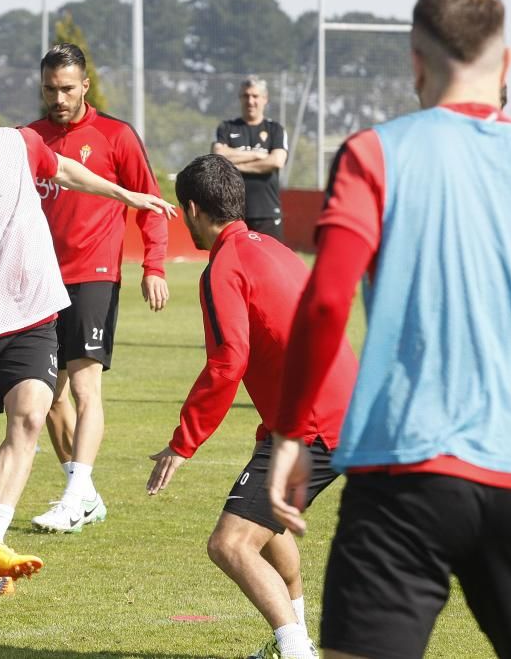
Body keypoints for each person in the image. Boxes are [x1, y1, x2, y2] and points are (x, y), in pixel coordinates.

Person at [267, 0, 511, 657]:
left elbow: (325, 302)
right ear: (507, 63)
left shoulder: (374, 151)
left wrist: (292, 429)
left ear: (415, 63)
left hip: (402, 470)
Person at [0, 73, 175, 588]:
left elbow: (65, 170)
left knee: (27, 418)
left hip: (31, 318)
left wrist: (125, 195)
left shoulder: (19, 145)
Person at [145, 154, 357, 659]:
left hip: (314, 426)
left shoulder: (223, 267)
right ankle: (296, 637)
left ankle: (296, 651)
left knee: (231, 544)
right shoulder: (275, 248)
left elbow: (227, 362)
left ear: (192, 209)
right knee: (263, 525)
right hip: (337, 411)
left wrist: (183, 442)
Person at [26, 43, 169, 533]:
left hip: (95, 275)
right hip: (41, 279)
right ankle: (82, 492)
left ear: (85, 84)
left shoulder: (116, 135)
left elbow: (148, 201)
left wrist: (155, 266)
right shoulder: (30, 138)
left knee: (85, 387)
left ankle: (73, 495)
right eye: (50, 89)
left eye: (67, 88)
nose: (58, 98)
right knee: (44, 394)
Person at [212, 76, 288, 240]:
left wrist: (233, 163)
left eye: (255, 96)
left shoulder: (275, 129)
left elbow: (276, 161)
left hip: (267, 212)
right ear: (240, 98)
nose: (250, 101)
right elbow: (218, 155)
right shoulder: (226, 127)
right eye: (246, 96)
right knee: (231, 261)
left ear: (265, 99)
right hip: (232, 212)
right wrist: (256, 155)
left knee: (269, 263)